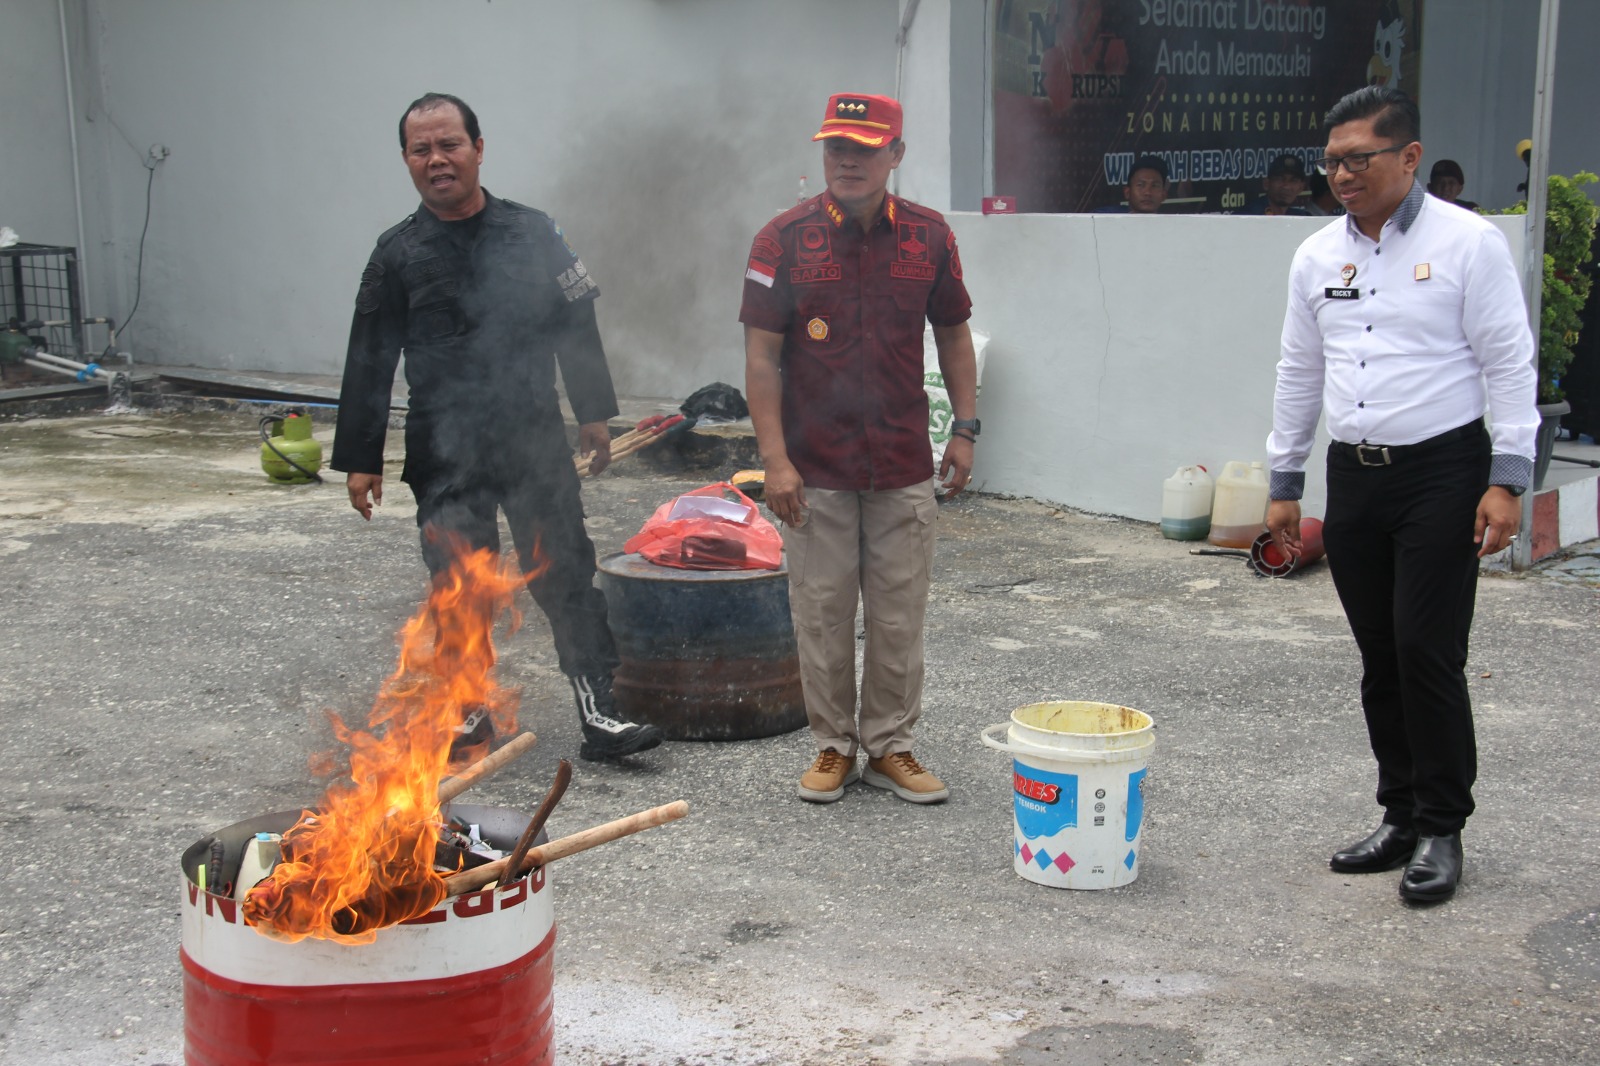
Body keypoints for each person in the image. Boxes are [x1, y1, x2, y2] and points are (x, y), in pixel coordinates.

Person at [1265, 85, 1538, 904]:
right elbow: (1299, 370)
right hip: (1356, 477)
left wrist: (1508, 480)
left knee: (1426, 648)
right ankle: (1399, 814)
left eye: (1360, 159)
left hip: (1444, 472)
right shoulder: (1317, 254)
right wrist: (1285, 481)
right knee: (1380, 655)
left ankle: (1443, 826)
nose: (1342, 175)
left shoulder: (1470, 244)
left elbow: (1508, 364)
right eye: (1333, 162)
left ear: (1409, 158)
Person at [331, 92, 663, 765]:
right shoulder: (395, 255)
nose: (437, 159)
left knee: (565, 572)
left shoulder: (535, 232)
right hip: (443, 444)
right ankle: (466, 709)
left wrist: (593, 413)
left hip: (530, 432)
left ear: (478, 149)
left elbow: (576, 324)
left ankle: (601, 712)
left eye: (449, 144)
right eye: (421, 149)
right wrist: (360, 456)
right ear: (406, 160)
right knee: (457, 579)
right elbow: (369, 354)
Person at [740, 92, 978, 805]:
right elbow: (760, 362)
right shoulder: (780, 240)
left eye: (865, 149)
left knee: (900, 612)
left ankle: (892, 747)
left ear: (895, 155)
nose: (847, 160)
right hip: (815, 468)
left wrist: (964, 428)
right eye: (836, 147)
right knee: (821, 608)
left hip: (903, 461)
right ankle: (833, 746)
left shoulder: (930, 238)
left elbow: (955, 334)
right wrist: (775, 460)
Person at [1239, 154, 1312, 215]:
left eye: (1293, 181)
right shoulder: (1249, 215)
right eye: (1280, 179)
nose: (1286, 186)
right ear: (1266, 184)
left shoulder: (1301, 217)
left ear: (1301, 188)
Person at [1099, 155, 1169, 214]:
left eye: (1155, 186)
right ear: (1127, 192)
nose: (1148, 192)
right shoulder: (1105, 218)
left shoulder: (1171, 224)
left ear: (1163, 195)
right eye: (1140, 185)